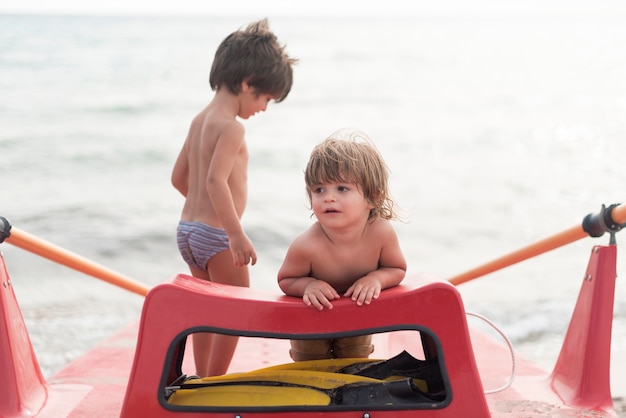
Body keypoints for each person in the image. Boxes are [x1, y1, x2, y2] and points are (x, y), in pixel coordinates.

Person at [171, 18, 297, 377]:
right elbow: (215, 182)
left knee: (206, 311)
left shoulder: (199, 120)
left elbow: (179, 178)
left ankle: (199, 380)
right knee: (237, 310)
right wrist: (234, 232)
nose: (264, 108)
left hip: (187, 232)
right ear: (247, 84)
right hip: (216, 236)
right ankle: (214, 383)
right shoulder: (232, 127)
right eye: (265, 98)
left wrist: (201, 212)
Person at [277, 130, 407, 361]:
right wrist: (308, 285)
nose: (328, 197)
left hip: (356, 316)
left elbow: (396, 269)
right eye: (319, 190)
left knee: (355, 360)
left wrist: (375, 279)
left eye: (342, 189)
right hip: (311, 320)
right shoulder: (307, 245)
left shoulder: (381, 233)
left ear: (372, 198)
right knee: (311, 367)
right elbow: (286, 280)